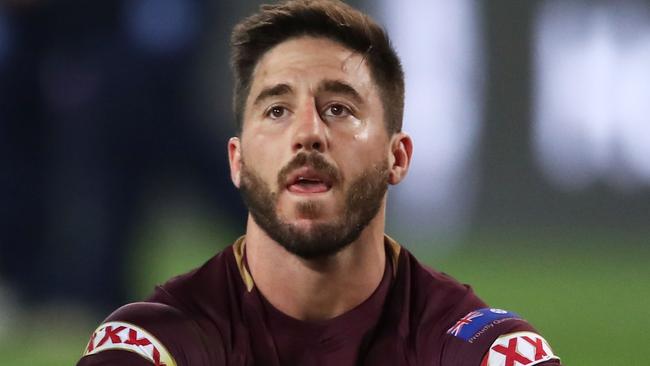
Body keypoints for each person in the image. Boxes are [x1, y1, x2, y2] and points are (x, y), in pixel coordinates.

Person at [77, 1, 562, 365]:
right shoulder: (151, 345)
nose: (308, 133)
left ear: (398, 156)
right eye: (277, 110)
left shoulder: (481, 349)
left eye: (339, 109)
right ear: (237, 161)